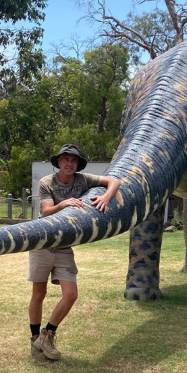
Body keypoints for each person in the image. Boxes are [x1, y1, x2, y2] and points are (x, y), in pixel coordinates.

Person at [30, 144, 120, 360]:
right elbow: (46, 211)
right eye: (65, 159)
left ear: (77, 164)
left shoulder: (83, 179)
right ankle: (34, 339)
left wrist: (106, 197)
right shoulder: (46, 183)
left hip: (65, 245)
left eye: (73, 160)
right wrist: (65, 204)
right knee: (39, 294)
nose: (69, 163)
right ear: (58, 162)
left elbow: (114, 181)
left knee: (71, 295)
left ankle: (47, 335)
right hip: (43, 241)